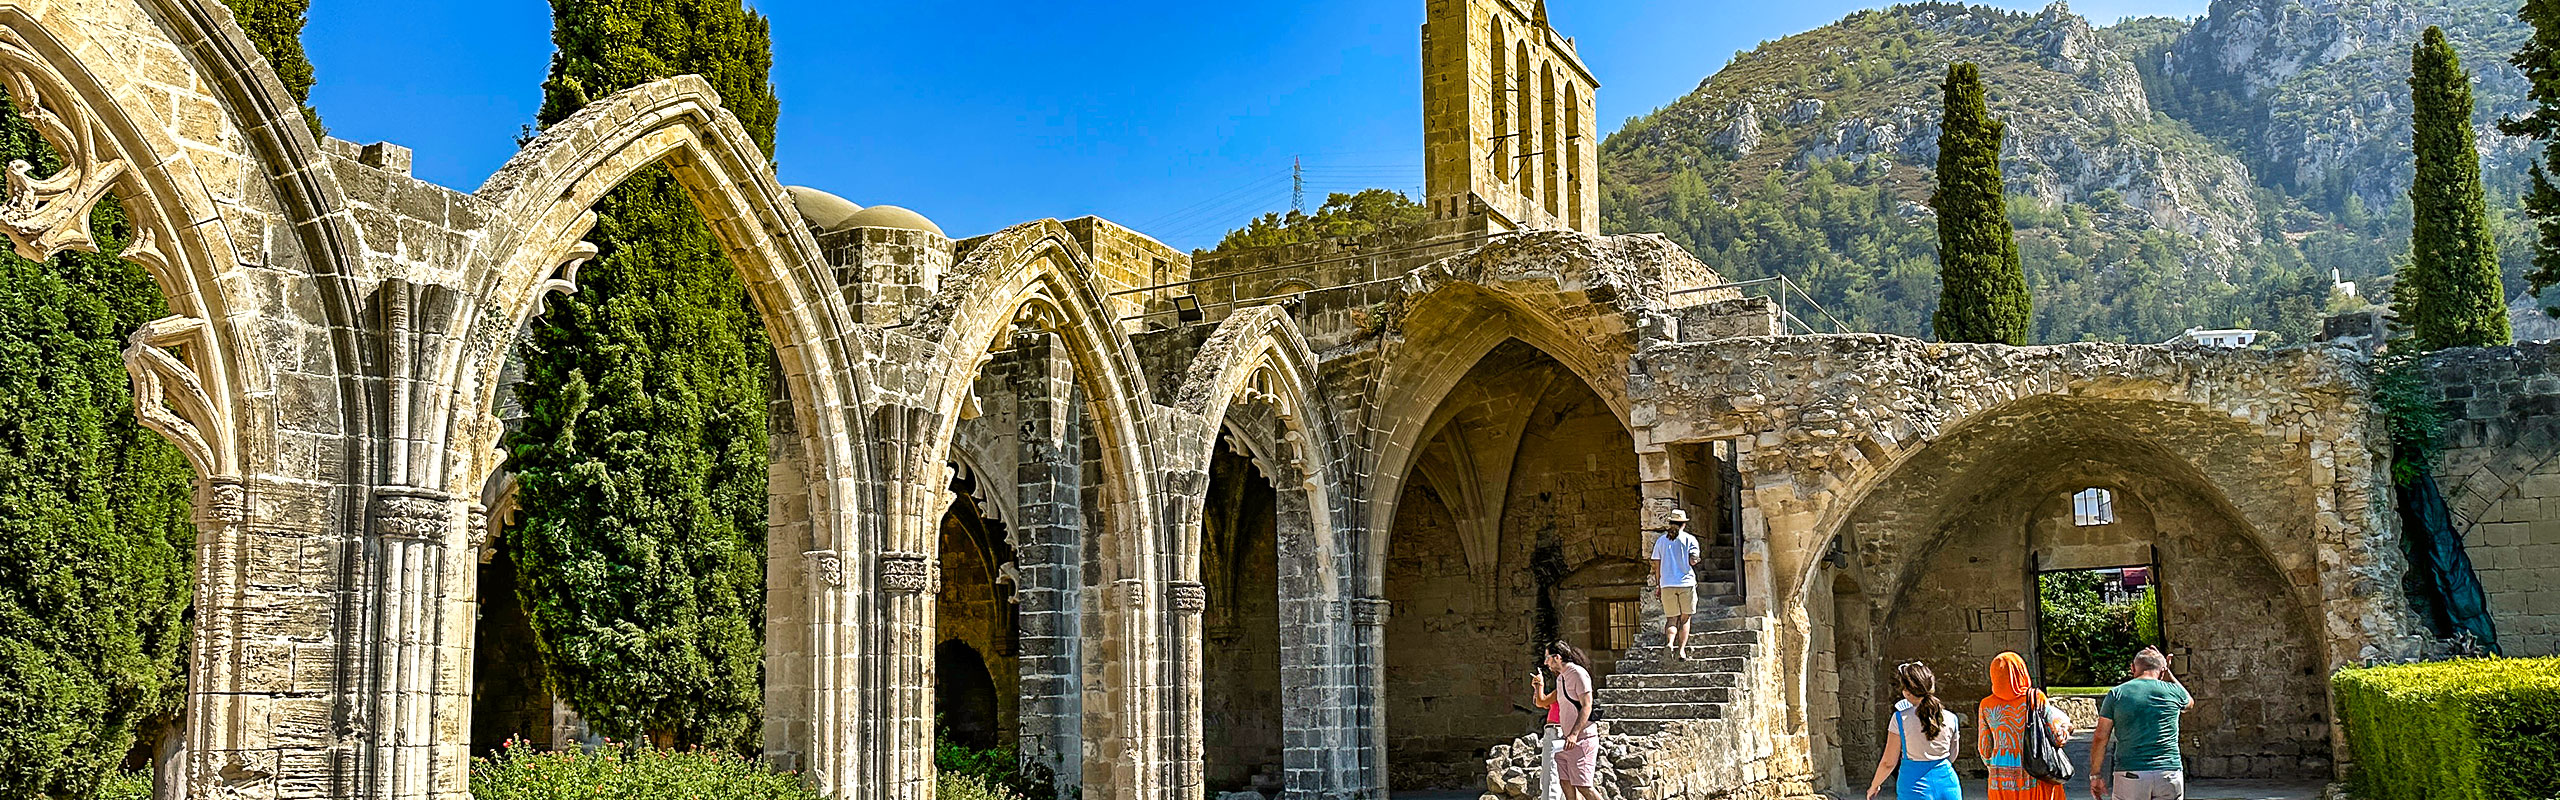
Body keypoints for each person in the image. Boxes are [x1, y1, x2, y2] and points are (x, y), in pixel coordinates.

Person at [2088, 647, 2193, 800]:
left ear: (2132, 668)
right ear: (2162, 671)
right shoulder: (2173, 691)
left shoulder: (2117, 694)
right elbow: (2189, 703)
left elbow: (2101, 737)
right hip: (2169, 772)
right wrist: (2169, 674)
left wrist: (2095, 774)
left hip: (2130, 773)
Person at [1979, 651, 2070, 800]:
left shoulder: (1986, 705)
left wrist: (1995, 764)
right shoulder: (2035, 698)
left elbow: (1985, 748)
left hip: (2000, 775)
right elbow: (2056, 737)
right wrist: (2066, 728)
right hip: (2034, 769)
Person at [1866, 661, 1961, 800]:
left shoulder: (1900, 718)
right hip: (1947, 783)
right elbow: (1953, 753)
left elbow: (1889, 762)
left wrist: (1875, 785)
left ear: (1907, 692)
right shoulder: (1951, 718)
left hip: (1914, 784)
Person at [1545, 641, 1602, 800]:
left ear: (1557, 657)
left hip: (1582, 739)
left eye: (1547, 658)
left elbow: (1586, 706)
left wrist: (1574, 734)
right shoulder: (1560, 679)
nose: (1545, 663)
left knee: (1584, 786)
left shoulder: (1578, 673)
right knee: (1565, 782)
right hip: (1566, 741)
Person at [1648, 509, 1703, 658]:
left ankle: (1670, 643)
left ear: (1670, 523)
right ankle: (1681, 651)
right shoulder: (1690, 539)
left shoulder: (1661, 541)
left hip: (1667, 584)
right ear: (1684, 524)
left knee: (1671, 618)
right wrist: (1695, 559)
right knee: (1685, 618)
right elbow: (1693, 560)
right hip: (1686, 583)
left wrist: (1658, 585)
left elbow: (1657, 567)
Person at [1528, 667, 1564, 800]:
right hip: (1561, 731)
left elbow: (1541, 701)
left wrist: (1539, 684)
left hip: (1556, 732)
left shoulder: (1562, 688)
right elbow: (1544, 703)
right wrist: (1537, 688)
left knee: (1550, 777)